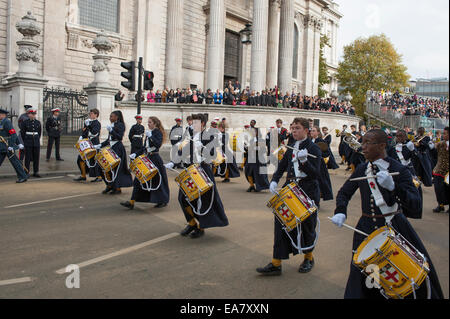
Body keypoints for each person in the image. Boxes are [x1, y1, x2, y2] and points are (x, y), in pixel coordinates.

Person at [330, 129, 443, 299]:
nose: (364, 147)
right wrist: (340, 211)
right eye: (364, 142)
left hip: (395, 226)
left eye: (368, 143)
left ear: (382, 145)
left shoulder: (399, 170)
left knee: (406, 274)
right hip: (366, 229)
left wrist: (394, 187)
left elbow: (415, 204)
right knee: (366, 276)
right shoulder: (362, 169)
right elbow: (344, 193)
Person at [257, 117, 321, 276]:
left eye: (297, 128)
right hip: (290, 189)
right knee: (280, 224)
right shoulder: (291, 147)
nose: (294, 131)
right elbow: (282, 166)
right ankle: (276, 263)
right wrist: (274, 181)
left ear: (306, 130)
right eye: (292, 128)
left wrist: (305, 162)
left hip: (307, 190)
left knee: (307, 226)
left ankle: (308, 258)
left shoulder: (314, 149)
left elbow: (316, 175)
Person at [165, 113, 229, 239]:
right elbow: (184, 151)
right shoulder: (192, 136)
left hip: (203, 169)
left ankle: (201, 227)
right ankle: (192, 223)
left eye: (195, 122)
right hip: (191, 169)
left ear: (202, 124)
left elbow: (213, 155)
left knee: (203, 200)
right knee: (182, 198)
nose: (192, 124)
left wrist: (203, 148)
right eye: (192, 122)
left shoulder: (209, 136)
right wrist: (174, 162)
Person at [121, 116, 170, 210]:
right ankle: (132, 201)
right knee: (138, 179)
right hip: (147, 158)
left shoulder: (157, 132)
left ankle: (162, 199)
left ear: (155, 123)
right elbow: (144, 147)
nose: (148, 124)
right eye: (148, 122)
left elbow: (157, 144)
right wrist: (136, 153)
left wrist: (151, 137)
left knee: (158, 180)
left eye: (150, 122)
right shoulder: (149, 133)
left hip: (155, 158)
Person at [94, 110, 133, 195]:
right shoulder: (112, 125)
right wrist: (100, 145)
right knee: (103, 167)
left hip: (118, 148)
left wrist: (111, 130)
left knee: (116, 169)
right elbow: (109, 140)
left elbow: (119, 137)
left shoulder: (120, 125)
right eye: (110, 116)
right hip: (111, 148)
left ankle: (117, 187)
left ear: (117, 117)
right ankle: (109, 185)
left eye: (112, 116)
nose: (110, 118)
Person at [74, 108, 102, 182]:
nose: (90, 115)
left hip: (94, 144)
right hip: (86, 143)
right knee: (81, 158)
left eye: (92, 113)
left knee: (95, 160)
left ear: (96, 115)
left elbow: (94, 133)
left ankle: (99, 176)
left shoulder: (97, 123)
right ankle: (83, 175)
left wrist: (88, 127)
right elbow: (84, 133)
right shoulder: (87, 122)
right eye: (90, 113)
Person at [0, 108, 27, 183]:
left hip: (7, 146)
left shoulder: (6, 122)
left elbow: (13, 134)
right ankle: (23, 176)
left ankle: (23, 176)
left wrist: (13, 145)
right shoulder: (1, 122)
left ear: (3, 115)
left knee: (15, 163)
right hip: (2, 146)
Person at [244, 120, 270, 192]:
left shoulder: (261, 140)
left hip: (258, 160)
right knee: (248, 172)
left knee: (258, 174)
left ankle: (259, 186)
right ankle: (251, 186)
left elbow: (263, 150)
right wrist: (245, 147)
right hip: (251, 158)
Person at [310, 126, 333, 201]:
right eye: (311, 131)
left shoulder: (321, 141)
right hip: (310, 163)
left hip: (319, 164)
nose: (311, 132)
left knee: (319, 182)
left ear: (318, 132)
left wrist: (319, 154)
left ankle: (317, 200)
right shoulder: (309, 140)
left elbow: (327, 153)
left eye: (313, 131)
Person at [20, 108, 41, 178]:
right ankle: (26, 171)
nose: (33, 115)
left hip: (36, 141)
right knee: (28, 158)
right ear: (28, 114)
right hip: (28, 141)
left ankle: (36, 172)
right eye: (32, 114)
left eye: (34, 114)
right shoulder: (25, 122)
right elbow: (22, 133)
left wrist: (37, 139)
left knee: (36, 157)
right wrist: (25, 141)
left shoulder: (38, 122)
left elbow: (39, 133)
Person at [431, 127, 449, 213]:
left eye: (445, 133)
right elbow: (434, 154)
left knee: (447, 190)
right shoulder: (440, 144)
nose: (443, 135)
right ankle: (440, 205)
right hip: (439, 169)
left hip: (448, 172)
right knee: (438, 189)